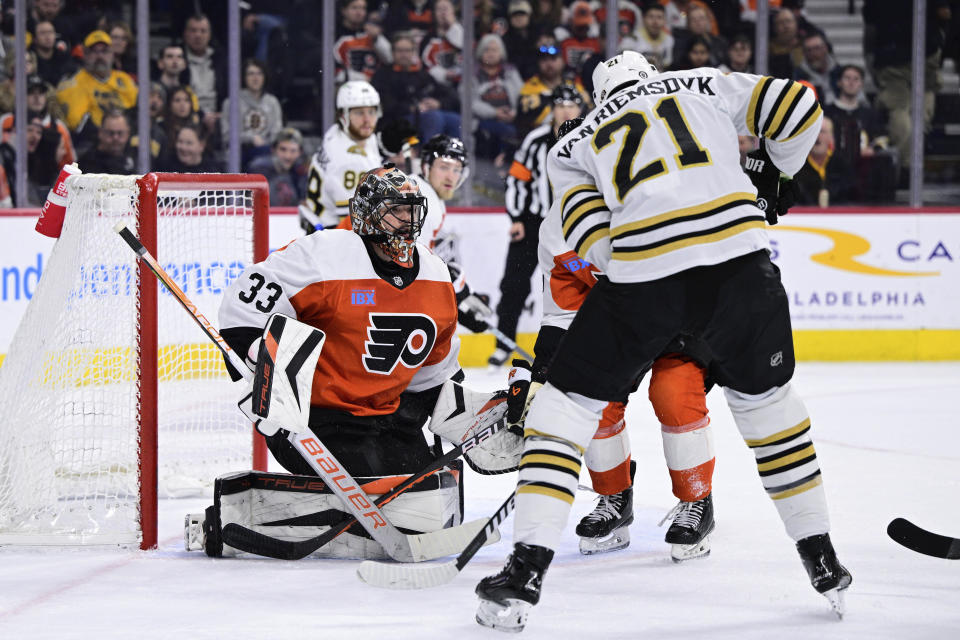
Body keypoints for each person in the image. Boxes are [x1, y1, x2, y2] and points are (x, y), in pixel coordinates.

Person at [475, 52, 851, 632]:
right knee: (770, 412)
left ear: (599, 98)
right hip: (742, 272)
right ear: (652, 74)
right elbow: (799, 105)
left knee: (565, 410)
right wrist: (777, 175)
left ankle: (526, 570)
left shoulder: (572, 145)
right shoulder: (705, 83)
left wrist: (637, 270)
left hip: (645, 281)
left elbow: (588, 237)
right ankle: (821, 557)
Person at [207, 165, 468, 558]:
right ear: (366, 213)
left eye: (414, 211)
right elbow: (242, 306)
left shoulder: (434, 274)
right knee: (381, 484)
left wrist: (469, 417)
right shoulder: (324, 255)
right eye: (397, 210)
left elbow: (435, 372)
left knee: (426, 491)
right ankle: (246, 516)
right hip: (315, 421)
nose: (408, 222)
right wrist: (266, 379)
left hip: (386, 418)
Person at [488, 84, 584, 368]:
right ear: (552, 109)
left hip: (574, 228)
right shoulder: (535, 140)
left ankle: (573, 345)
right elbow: (518, 179)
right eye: (560, 105)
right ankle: (504, 343)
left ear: (580, 108)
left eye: (572, 105)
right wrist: (516, 217)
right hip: (532, 225)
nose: (566, 110)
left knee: (568, 290)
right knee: (514, 286)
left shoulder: (590, 137)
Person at [298, 80, 383, 233]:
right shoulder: (347, 161)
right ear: (343, 115)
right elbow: (353, 220)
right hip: (334, 235)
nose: (367, 119)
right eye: (359, 112)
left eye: (371, 111)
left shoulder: (339, 133)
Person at [371, 33, 461, 144]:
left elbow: (449, 95)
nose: (404, 55)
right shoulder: (383, 75)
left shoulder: (422, 75)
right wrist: (412, 108)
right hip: (396, 120)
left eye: (407, 51)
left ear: (413, 52)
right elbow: (385, 104)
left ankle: (455, 158)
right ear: (393, 52)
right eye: (400, 51)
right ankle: (429, 158)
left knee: (455, 120)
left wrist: (438, 103)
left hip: (425, 114)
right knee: (433, 117)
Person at [55, 30, 138, 132]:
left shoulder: (124, 79)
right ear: (84, 55)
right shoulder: (73, 83)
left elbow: (137, 112)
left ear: (112, 54)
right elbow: (78, 126)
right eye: (94, 51)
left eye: (104, 51)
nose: (99, 56)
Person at [220, 59, 283, 169]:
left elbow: (276, 134)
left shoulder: (272, 102)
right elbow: (226, 135)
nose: (256, 78)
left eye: (259, 73)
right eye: (251, 74)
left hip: (265, 151)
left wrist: (264, 143)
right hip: (239, 152)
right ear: (243, 77)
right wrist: (250, 139)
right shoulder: (231, 102)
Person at [472, 34, 523, 161]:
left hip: (511, 117)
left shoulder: (510, 71)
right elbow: (470, 102)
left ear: (501, 53)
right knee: (506, 132)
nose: (490, 54)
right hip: (483, 120)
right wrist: (495, 113)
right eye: (486, 50)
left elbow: (522, 94)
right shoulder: (472, 73)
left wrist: (515, 112)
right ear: (480, 52)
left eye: (494, 50)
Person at [793, 116, 855, 206]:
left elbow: (850, 196)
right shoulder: (796, 166)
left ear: (831, 137)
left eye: (822, 131)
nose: (817, 136)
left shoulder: (842, 164)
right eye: (814, 131)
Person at [182, 14, 227, 137]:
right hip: (188, 116)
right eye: (193, 30)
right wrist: (201, 115)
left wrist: (222, 113)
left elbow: (230, 92)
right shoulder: (178, 58)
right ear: (185, 33)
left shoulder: (221, 59)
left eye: (203, 31)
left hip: (218, 116)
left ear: (209, 35)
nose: (198, 35)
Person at [334, 0, 392, 82]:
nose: (359, 12)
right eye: (354, 8)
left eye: (362, 8)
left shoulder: (372, 34)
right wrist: (362, 78)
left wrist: (377, 39)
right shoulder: (334, 34)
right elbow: (333, 70)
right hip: (346, 86)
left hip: (375, 86)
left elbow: (389, 58)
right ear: (344, 11)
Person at [248, 127, 308, 206]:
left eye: (293, 151)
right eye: (283, 149)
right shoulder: (259, 169)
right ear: (273, 150)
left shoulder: (301, 172)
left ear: (300, 152)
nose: (287, 156)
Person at [78, 109, 134, 174]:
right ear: (100, 132)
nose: (115, 138)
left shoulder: (135, 155)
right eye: (110, 133)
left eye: (120, 133)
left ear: (128, 133)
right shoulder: (87, 163)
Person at [155, 122, 221, 173]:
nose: (183, 147)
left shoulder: (214, 171)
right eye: (180, 141)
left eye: (189, 143)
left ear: (202, 145)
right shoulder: (164, 168)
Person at [31, 20, 76, 87]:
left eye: (50, 32)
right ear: (35, 39)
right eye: (42, 33)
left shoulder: (63, 56)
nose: (47, 37)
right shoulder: (30, 59)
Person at [633, 4, 674, 70]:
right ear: (643, 19)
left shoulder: (668, 39)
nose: (655, 22)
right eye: (651, 17)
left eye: (659, 17)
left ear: (665, 20)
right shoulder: (632, 38)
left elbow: (667, 64)